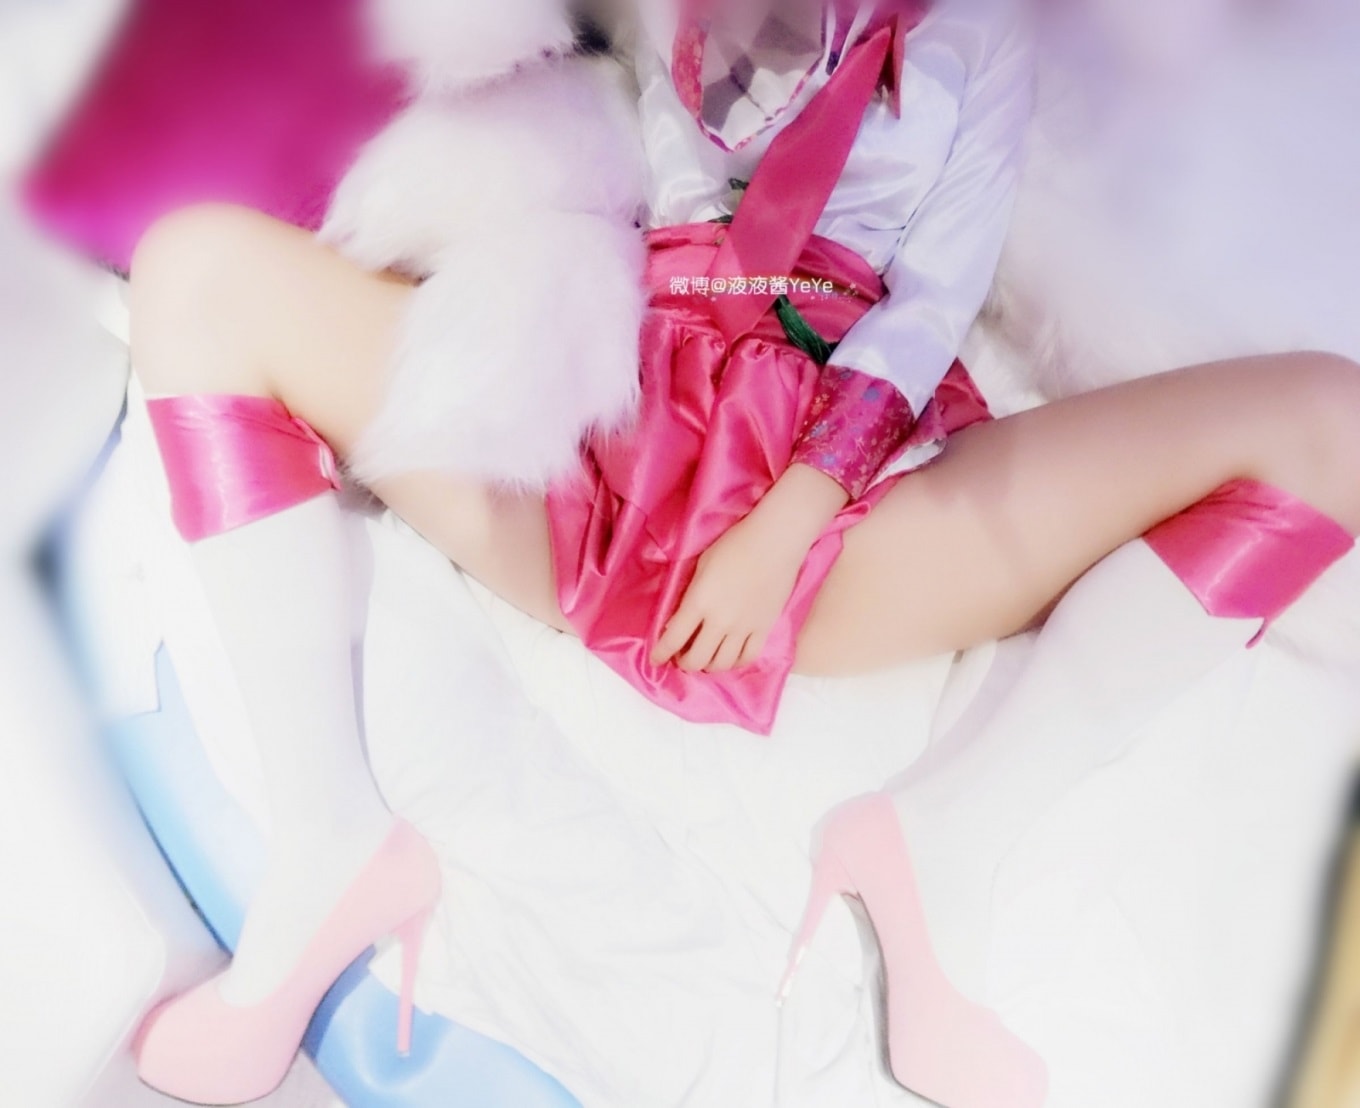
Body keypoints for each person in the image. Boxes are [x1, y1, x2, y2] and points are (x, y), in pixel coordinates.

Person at [130, 0, 1360, 1104]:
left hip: (846, 487)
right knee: (195, 267)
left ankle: (952, 830)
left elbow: (931, 305)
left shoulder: (974, 33)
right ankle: (332, 838)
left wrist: (782, 526)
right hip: (605, 415)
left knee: (1332, 422)